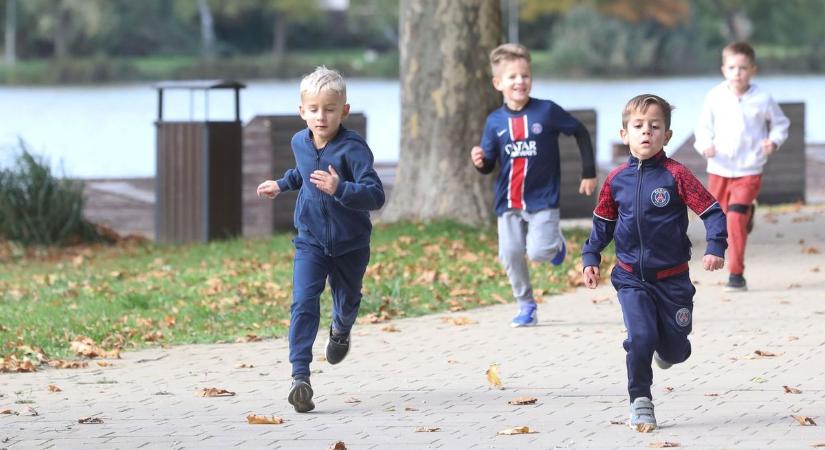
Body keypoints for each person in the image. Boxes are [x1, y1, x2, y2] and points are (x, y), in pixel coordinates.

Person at [582, 94, 727, 431]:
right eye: (638, 126)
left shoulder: (677, 175)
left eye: (654, 126)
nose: (646, 132)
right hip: (631, 277)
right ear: (625, 134)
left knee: (676, 351)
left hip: (673, 280)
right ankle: (640, 401)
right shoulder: (616, 179)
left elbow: (711, 210)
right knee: (641, 337)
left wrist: (716, 245)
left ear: (667, 135)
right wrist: (591, 255)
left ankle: (667, 348)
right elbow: (603, 223)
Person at [256, 66, 385, 413]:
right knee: (303, 302)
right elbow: (303, 171)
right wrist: (281, 185)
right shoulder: (299, 141)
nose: (321, 116)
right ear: (302, 111)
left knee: (347, 300)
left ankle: (340, 330)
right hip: (310, 240)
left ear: (343, 110)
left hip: (351, 243)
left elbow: (375, 195)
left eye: (329, 109)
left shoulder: (354, 149)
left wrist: (340, 188)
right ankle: (301, 378)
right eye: (313, 109)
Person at [470, 43, 597, 327]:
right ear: (498, 83)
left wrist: (588, 171)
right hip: (509, 201)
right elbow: (489, 163)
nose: (520, 82)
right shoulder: (495, 121)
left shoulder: (546, 112)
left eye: (525, 75)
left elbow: (579, 131)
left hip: (543, 198)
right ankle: (525, 304)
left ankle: (556, 246)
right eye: (512, 77)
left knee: (539, 252)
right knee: (511, 253)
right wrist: (480, 161)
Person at [694, 41, 790, 292]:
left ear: (753, 70)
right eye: (732, 67)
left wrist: (774, 141)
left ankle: (736, 274)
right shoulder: (715, 96)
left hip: (750, 168)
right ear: (724, 69)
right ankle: (746, 213)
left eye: (743, 68)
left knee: (735, 218)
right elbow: (702, 128)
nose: (738, 72)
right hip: (719, 168)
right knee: (721, 220)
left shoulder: (763, 98)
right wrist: (705, 145)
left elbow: (781, 124)